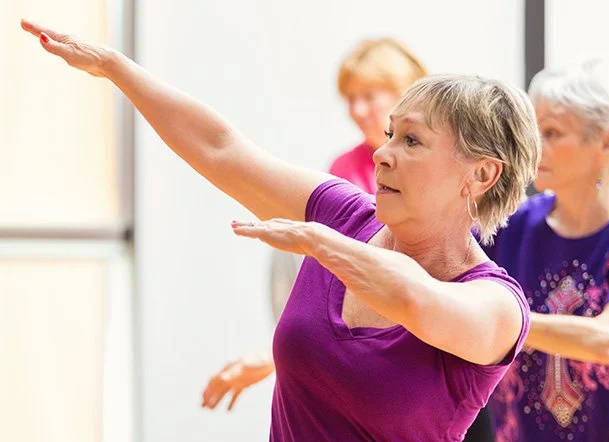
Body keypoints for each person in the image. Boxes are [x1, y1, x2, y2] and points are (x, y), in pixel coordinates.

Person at [21, 19, 541, 440]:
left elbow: (415, 300)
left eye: (412, 141)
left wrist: (325, 246)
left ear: (481, 174)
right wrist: (115, 68)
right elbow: (221, 147)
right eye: (389, 135)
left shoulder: (495, 305)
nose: (382, 154)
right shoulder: (345, 213)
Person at [203, 37, 429, 413]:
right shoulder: (345, 169)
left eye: (370, 95)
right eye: (350, 99)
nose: (358, 111)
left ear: (406, 94)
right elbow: (332, 281)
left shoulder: (442, 170)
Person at [483, 59, 609, 441]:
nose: (534, 147)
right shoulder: (510, 225)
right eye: (533, 130)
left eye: (552, 133)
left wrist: (498, 322)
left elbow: (608, 339)